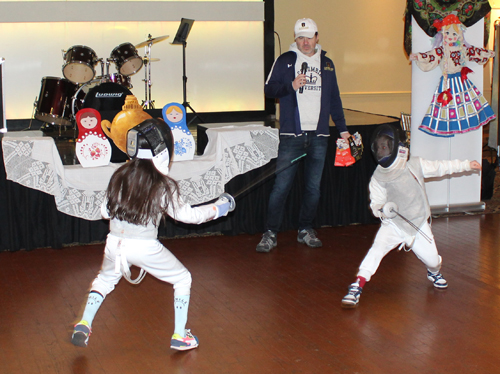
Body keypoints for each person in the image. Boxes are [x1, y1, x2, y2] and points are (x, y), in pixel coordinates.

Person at [71, 118, 235, 351]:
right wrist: (219, 208)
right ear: (162, 149)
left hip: (114, 243)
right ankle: (179, 335)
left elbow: (104, 212)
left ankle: (84, 323)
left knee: (105, 280)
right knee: (182, 278)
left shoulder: (120, 175)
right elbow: (188, 216)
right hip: (144, 247)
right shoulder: (163, 184)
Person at [341, 124, 481, 308]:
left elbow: (440, 167)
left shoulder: (414, 164)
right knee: (376, 250)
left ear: (396, 146)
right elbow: (376, 203)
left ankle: (434, 272)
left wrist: (466, 165)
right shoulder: (378, 177)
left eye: (386, 146)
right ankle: (357, 285)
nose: (382, 150)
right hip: (394, 224)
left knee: (432, 260)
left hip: (418, 223)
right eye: (380, 147)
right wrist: (383, 209)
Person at [256, 18, 350, 252]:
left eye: (309, 37)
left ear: (317, 37)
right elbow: (269, 89)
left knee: (313, 189)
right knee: (281, 187)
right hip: (291, 136)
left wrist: (343, 128)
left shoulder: (327, 64)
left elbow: (334, 99)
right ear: (295, 39)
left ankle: (305, 229)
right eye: (300, 37)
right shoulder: (286, 61)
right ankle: (270, 233)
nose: (305, 42)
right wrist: (291, 85)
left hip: (319, 136)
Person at [409, 13, 495, 137]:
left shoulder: (462, 49)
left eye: (454, 34)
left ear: (459, 35)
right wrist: (418, 56)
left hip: (462, 81)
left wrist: (487, 53)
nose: (450, 36)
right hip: (447, 81)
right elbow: (430, 55)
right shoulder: (442, 50)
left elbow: (474, 52)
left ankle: (463, 124)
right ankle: (446, 127)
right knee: (446, 107)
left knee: (465, 105)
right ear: (442, 34)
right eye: (447, 33)